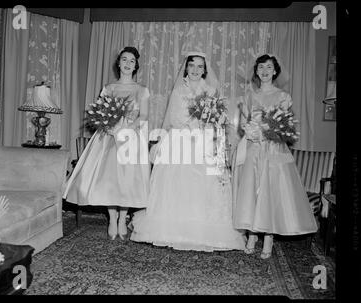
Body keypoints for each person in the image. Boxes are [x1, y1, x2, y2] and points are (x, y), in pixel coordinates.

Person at [130, 51, 245, 252]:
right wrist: (175, 133)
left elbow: (216, 119)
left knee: (203, 185)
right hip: (179, 141)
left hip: (203, 141)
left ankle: (203, 230)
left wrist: (208, 132)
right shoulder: (177, 91)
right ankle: (172, 229)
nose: (195, 70)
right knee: (177, 184)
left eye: (200, 66)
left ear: (205, 70)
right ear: (186, 67)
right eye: (192, 65)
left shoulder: (210, 91)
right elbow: (171, 119)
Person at [231, 54, 318, 259]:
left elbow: (286, 127)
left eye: (269, 67)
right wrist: (248, 129)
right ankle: (252, 234)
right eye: (261, 67)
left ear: (275, 71)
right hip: (254, 149)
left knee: (270, 192)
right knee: (252, 191)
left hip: (273, 150)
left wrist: (269, 131)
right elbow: (245, 124)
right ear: (256, 71)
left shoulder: (283, 97)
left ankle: (268, 236)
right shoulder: (250, 96)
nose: (264, 71)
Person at [63, 47, 150, 241]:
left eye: (132, 61)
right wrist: (109, 127)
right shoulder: (108, 88)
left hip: (129, 139)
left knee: (126, 180)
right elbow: (100, 113)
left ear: (136, 66)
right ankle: (112, 218)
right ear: (118, 63)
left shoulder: (141, 90)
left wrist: (126, 130)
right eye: (124, 60)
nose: (127, 64)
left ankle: (122, 218)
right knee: (109, 180)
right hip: (108, 138)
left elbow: (143, 116)